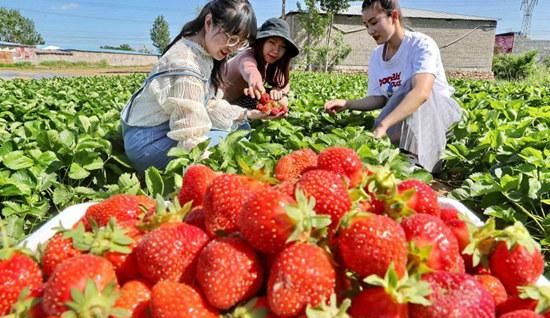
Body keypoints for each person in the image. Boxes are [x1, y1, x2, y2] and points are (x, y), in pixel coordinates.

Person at [120, 0, 268, 173]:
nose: (233, 48)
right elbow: (190, 134)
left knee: (241, 127)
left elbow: (206, 104)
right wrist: (207, 176)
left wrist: (247, 113)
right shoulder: (185, 63)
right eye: (232, 38)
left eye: (240, 43)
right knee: (236, 140)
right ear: (208, 22)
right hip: (146, 142)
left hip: (156, 130)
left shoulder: (202, 52)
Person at [324, 0, 462, 173]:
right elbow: (379, 98)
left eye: (374, 22)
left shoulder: (421, 44)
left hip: (438, 116)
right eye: (366, 25)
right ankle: (403, 155)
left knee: (411, 86)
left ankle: (418, 159)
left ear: (394, 16)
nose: (370, 31)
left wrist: (384, 124)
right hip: (402, 120)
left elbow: (422, 92)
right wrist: (348, 103)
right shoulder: (376, 56)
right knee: (395, 104)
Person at [223, 17, 299, 109]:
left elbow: (285, 83)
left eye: (282, 46)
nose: (276, 50)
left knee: (282, 101)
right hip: (218, 102)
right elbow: (250, 69)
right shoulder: (247, 56)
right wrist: (256, 82)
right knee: (269, 102)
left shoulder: (268, 61)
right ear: (261, 42)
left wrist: (279, 90)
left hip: (238, 98)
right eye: (272, 42)